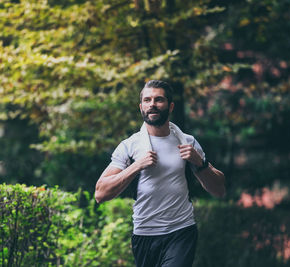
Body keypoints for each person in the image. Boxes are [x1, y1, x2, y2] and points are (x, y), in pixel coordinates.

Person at [95, 80, 226, 267]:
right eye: (147, 100)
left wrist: (200, 162)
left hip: (181, 230)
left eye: (159, 99)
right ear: (141, 107)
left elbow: (219, 189)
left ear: (170, 106)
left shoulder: (187, 142)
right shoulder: (130, 146)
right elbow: (100, 193)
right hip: (144, 234)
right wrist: (136, 166)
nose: (152, 104)